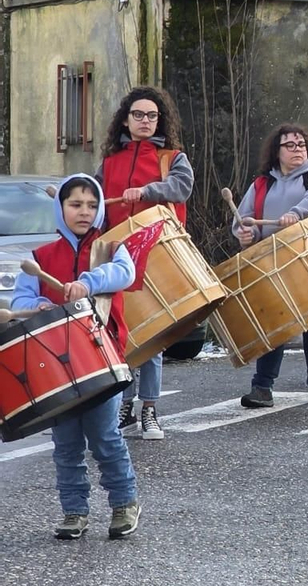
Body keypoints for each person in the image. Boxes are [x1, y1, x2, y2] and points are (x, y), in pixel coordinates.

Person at [11, 174, 142, 540]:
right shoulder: (41, 257)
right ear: (60, 209)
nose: (84, 211)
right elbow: (20, 301)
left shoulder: (110, 248)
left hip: (101, 359)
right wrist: (37, 304)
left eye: (91, 204)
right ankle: (74, 512)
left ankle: (123, 502)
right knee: (66, 442)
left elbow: (124, 273)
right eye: (75, 204)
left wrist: (88, 282)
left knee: (104, 436)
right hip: (55, 366)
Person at [99, 86, 192, 442]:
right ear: (126, 118)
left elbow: (180, 188)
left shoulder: (173, 157)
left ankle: (149, 408)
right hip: (119, 256)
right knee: (123, 333)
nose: (145, 121)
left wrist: (148, 191)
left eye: (151, 115)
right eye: (138, 115)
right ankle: (125, 405)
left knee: (152, 335)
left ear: (159, 119)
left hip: (158, 253)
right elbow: (95, 202)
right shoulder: (110, 162)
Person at [234, 124, 308, 409]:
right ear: (277, 151)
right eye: (290, 145)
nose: (298, 149)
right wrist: (244, 233)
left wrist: (296, 213)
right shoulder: (261, 184)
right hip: (272, 262)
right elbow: (244, 218)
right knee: (275, 325)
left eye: (301, 144)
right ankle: (262, 387)